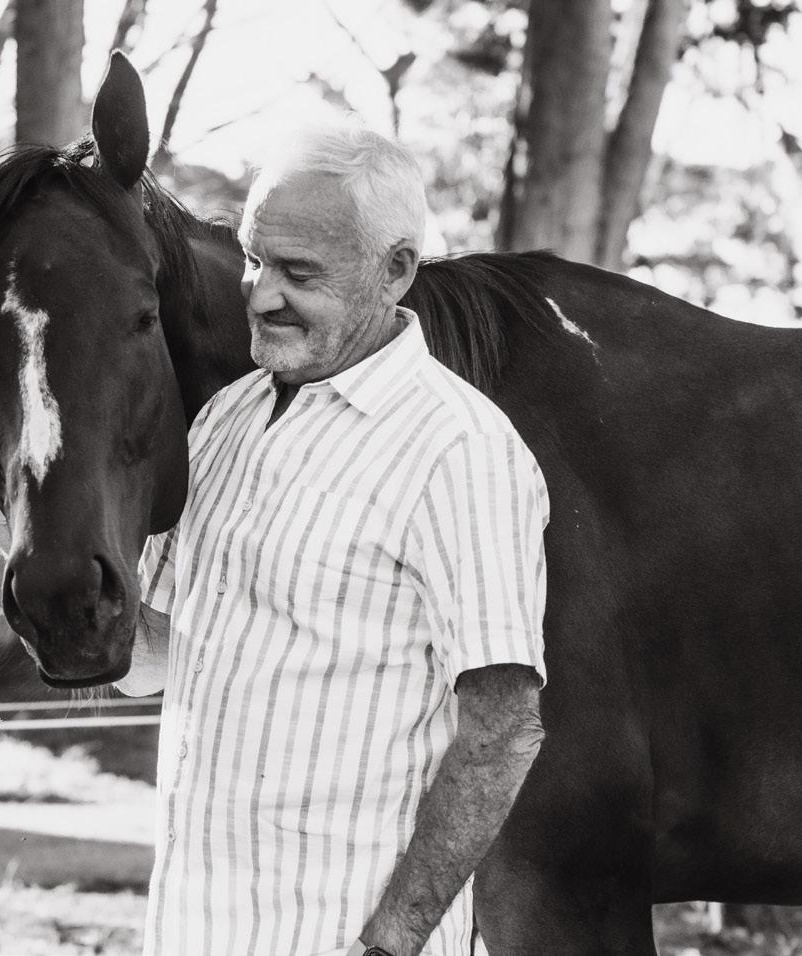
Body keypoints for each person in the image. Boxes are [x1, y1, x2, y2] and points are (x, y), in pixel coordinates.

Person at [118, 120, 550, 956]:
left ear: (395, 270)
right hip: (193, 928)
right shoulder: (224, 420)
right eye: (254, 259)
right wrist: (25, 534)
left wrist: (392, 941)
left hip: (344, 937)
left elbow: (503, 731)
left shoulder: (459, 450)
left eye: (299, 272)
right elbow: (151, 662)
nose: (258, 294)